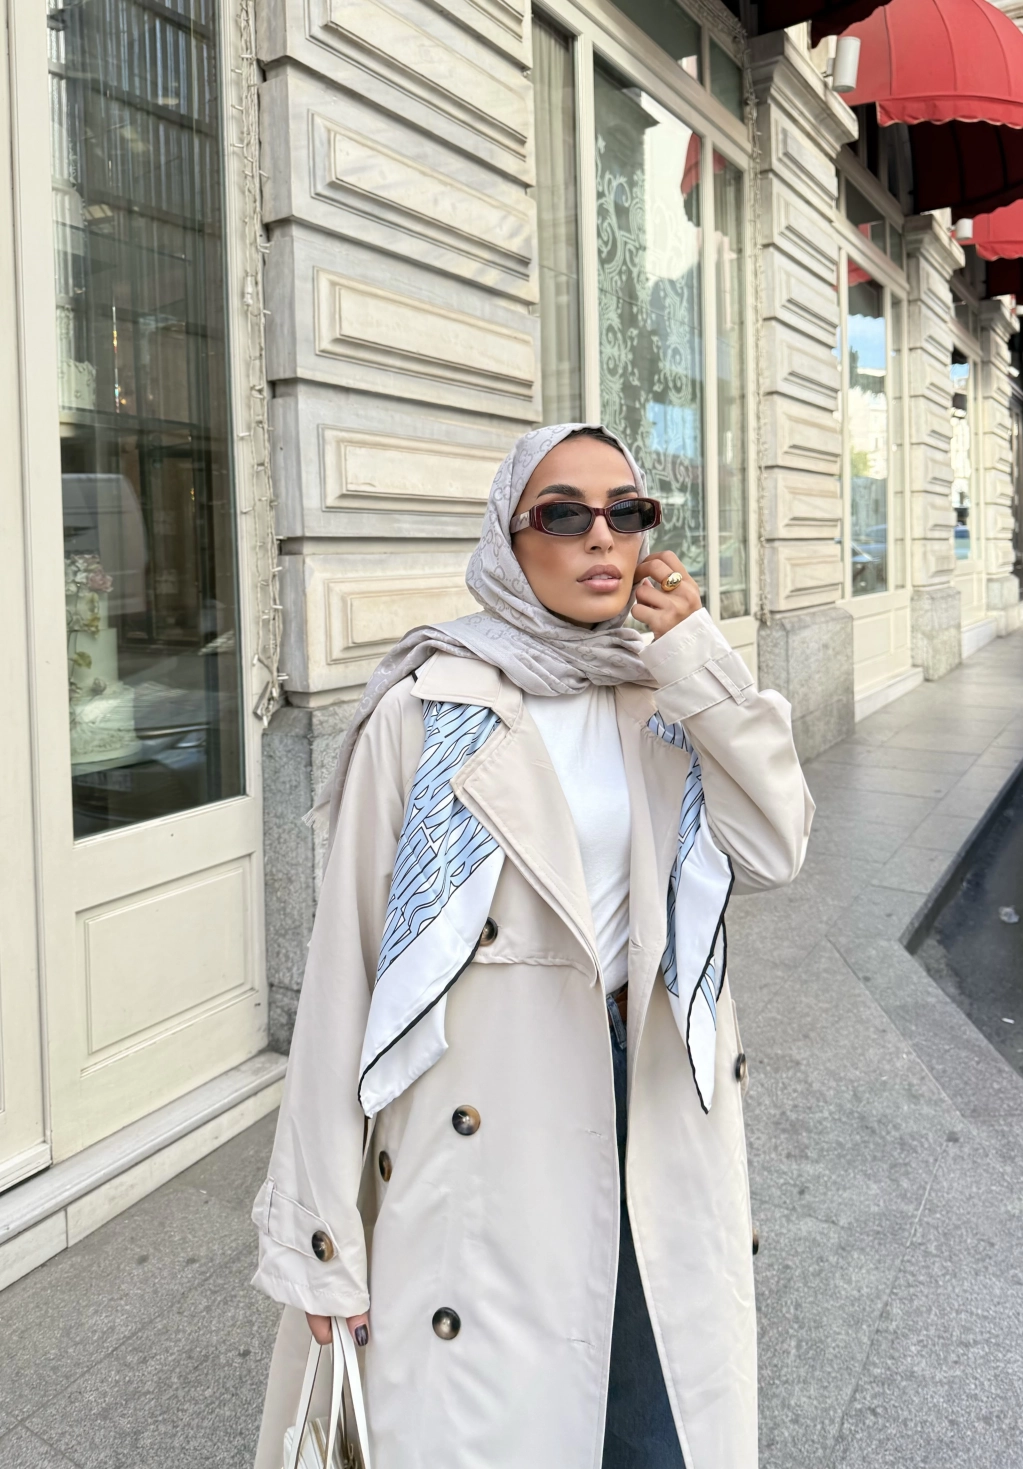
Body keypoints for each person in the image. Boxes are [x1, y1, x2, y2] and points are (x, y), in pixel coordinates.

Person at [251, 423, 813, 1469]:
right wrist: (319, 1233)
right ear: (508, 541)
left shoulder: (666, 691)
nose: (602, 536)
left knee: (650, 1418)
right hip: (489, 1111)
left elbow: (775, 845)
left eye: (627, 513)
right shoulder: (428, 708)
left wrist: (700, 655)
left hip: (647, 1090)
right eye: (563, 514)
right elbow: (345, 971)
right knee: (503, 1421)